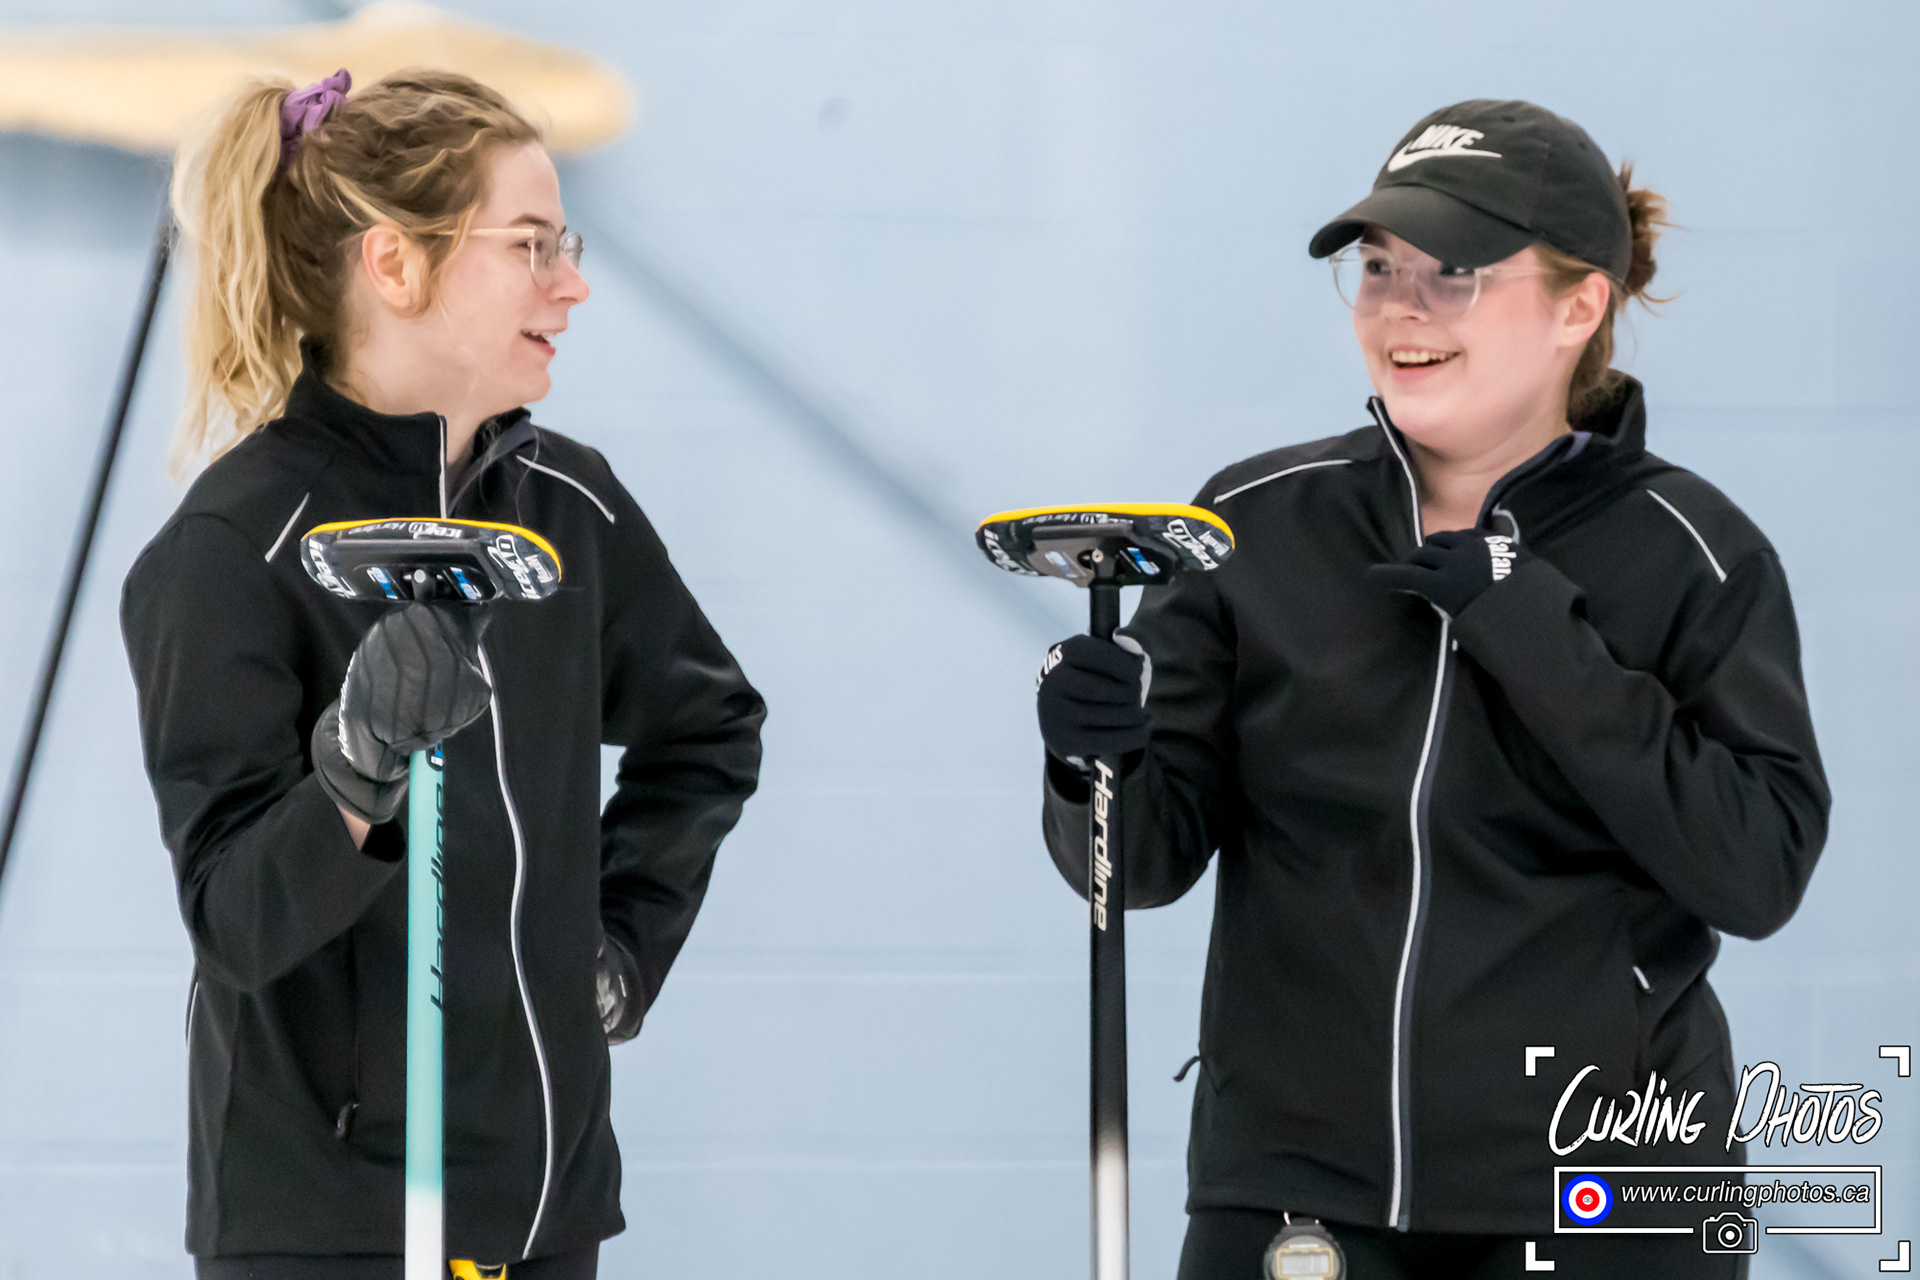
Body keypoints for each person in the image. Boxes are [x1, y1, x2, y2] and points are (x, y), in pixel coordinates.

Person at [1032, 100, 1827, 1278]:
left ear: (1579, 305)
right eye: (1377, 267)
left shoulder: (1693, 554)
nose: (1400, 307)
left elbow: (1756, 869)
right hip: (1297, 1186)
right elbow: (1138, 862)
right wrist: (1092, 758)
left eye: (1453, 273)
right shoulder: (1253, 525)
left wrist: (1529, 626)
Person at [120, 69, 765, 1278]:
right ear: (396, 265)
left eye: (565, 244)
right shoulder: (233, 548)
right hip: (325, 1226)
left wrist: (620, 950)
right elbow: (235, 922)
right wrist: (357, 771)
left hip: (542, 1211)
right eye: (529, 245)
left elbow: (710, 727)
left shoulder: (569, 509)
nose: (570, 282)